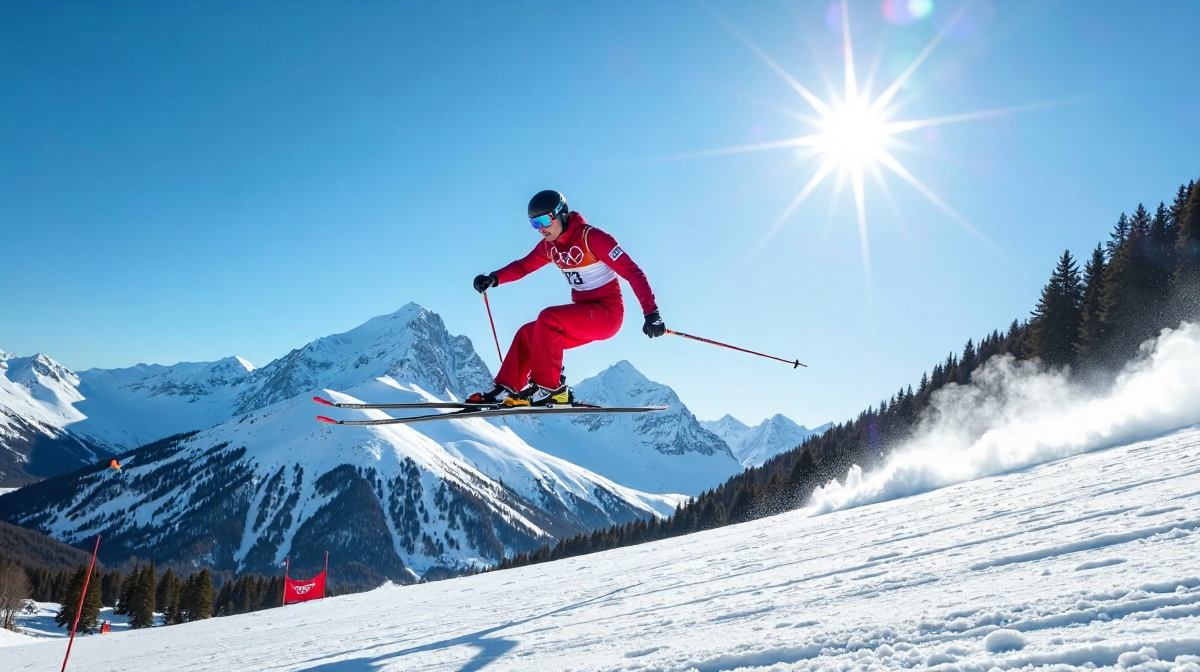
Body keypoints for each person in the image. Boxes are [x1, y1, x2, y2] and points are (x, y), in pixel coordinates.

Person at [469, 190, 666, 406]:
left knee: (549, 318)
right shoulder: (550, 247)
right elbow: (523, 266)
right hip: (581, 316)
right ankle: (506, 388)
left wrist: (651, 313)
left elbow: (633, 272)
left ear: (561, 214)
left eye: (544, 220)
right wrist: (494, 278)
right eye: (535, 224)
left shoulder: (592, 238)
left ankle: (551, 388)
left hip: (607, 315)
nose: (541, 229)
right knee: (528, 334)